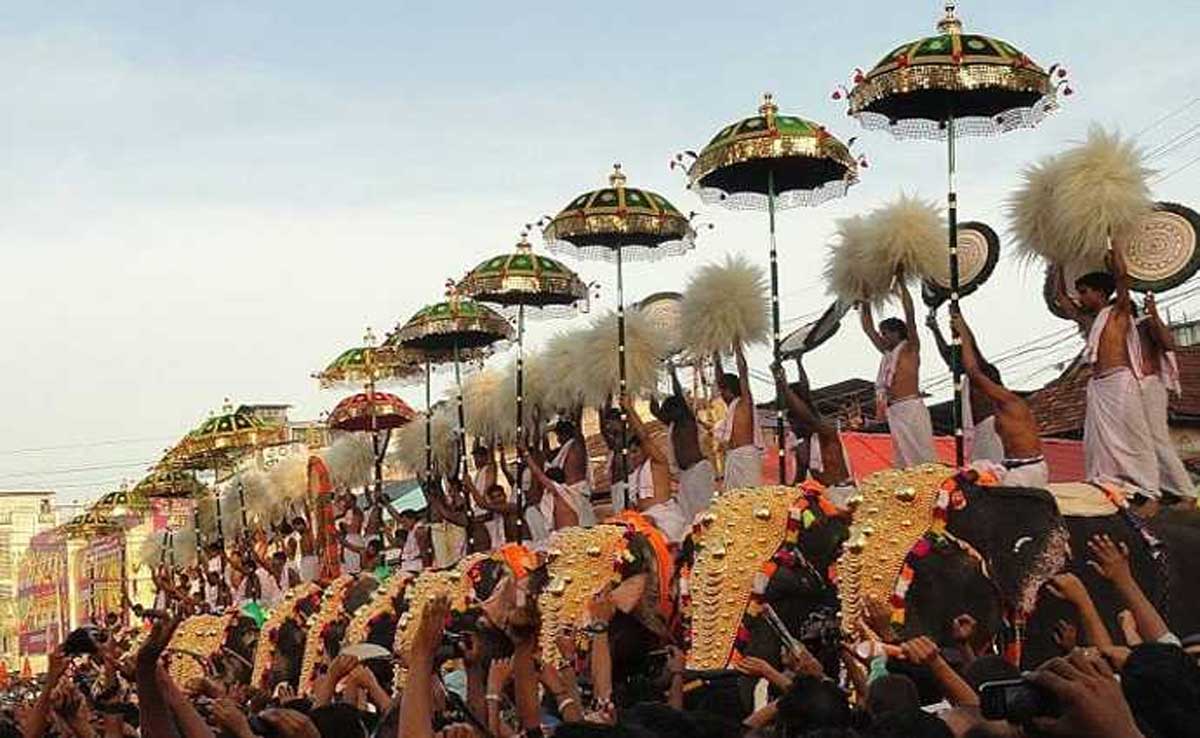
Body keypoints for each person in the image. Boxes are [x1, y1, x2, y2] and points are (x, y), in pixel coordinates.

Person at [1067, 241, 1160, 499]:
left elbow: (1123, 277)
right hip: (1098, 387)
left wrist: (1114, 243)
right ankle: (1106, 486)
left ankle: (1150, 491)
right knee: (1098, 443)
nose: (1080, 297)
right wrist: (1056, 263)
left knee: (1134, 435)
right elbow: (1062, 300)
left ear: (1100, 293)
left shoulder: (1118, 311)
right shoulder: (1089, 320)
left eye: (1084, 292)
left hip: (1119, 381)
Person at [952, 312, 1048, 488]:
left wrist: (962, 332)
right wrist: (961, 329)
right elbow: (974, 363)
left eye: (977, 389)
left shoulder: (1012, 403)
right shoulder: (996, 412)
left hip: (1028, 471)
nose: (974, 396)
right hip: (1009, 468)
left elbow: (974, 371)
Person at [860, 277, 936, 467]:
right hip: (894, 411)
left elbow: (910, 315)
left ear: (897, 333)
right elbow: (868, 329)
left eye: (885, 333)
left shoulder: (910, 348)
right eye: (882, 333)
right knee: (902, 461)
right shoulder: (887, 354)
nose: (882, 337)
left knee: (922, 458)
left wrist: (901, 283)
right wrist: (864, 300)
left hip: (911, 407)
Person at [770, 360, 856, 505]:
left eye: (794, 422)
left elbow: (806, 410)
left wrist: (782, 382)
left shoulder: (827, 432)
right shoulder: (801, 445)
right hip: (822, 498)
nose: (792, 427)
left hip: (843, 495)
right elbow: (799, 480)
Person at [1136, 293, 1196, 501]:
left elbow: (1168, 343)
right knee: (1136, 441)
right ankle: (1154, 489)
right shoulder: (1114, 330)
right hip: (1128, 389)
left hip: (1150, 386)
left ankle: (1185, 491)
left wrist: (1153, 314)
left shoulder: (1143, 325)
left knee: (1157, 439)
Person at [927, 311, 1004, 463]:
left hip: (992, 430)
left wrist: (960, 324)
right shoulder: (966, 383)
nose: (951, 366)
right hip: (976, 434)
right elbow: (945, 353)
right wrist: (935, 330)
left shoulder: (984, 371)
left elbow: (972, 345)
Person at [621, 394, 689, 543]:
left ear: (645, 450)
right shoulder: (634, 476)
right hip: (645, 520)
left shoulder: (658, 462)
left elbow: (644, 437)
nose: (632, 457)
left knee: (646, 523)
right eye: (630, 453)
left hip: (665, 518)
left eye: (635, 452)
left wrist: (630, 410)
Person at [649, 368, 715, 520]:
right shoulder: (674, 424)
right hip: (686, 475)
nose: (665, 415)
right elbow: (653, 409)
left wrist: (672, 374)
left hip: (698, 470)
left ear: (677, 409)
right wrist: (651, 383)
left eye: (668, 411)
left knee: (703, 515)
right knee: (688, 517)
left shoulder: (687, 419)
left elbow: (679, 394)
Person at [714, 341, 763, 489]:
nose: (721, 394)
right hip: (733, 456)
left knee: (750, 497)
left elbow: (743, 372)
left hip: (746, 456)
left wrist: (737, 345)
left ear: (731, 389)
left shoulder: (745, 402)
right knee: (733, 501)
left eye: (724, 390)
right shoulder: (731, 407)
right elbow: (719, 378)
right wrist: (716, 356)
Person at [520, 443, 596, 530]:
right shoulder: (567, 493)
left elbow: (538, 474)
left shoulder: (561, 491)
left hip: (569, 534)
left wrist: (526, 454)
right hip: (563, 534)